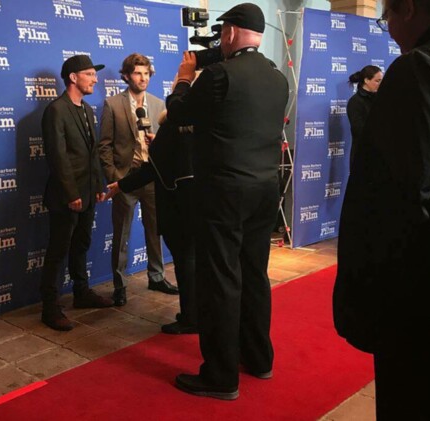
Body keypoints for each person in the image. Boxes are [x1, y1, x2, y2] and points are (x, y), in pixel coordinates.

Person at [166, 3, 289, 400]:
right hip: (265, 189)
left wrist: (184, 79)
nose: (219, 40)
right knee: (254, 274)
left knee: (220, 278)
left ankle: (220, 376)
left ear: (232, 32)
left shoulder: (218, 75)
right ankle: (259, 359)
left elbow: (179, 112)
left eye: (222, 33)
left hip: (224, 191)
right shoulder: (277, 76)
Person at [333, 0, 430, 419]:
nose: (388, 28)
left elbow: (404, 197)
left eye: (387, 16)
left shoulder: (416, 70)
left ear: (407, 9)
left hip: (416, 297)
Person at [105, 109, 198, 334]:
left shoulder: (171, 129)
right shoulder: (197, 128)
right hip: (198, 206)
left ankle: (190, 318)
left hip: (179, 208)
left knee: (186, 265)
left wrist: (120, 185)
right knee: (193, 263)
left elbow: (151, 170)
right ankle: (197, 313)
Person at [40, 55, 114, 331]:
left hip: (87, 192)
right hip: (65, 196)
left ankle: (81, 293)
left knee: (81, 244)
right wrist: (72, 194)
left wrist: (96, 187)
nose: (95, 79)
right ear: (73, 77)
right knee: (58, 251)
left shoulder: (86, 109)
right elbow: (57, 157)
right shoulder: (56, 110)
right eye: (89, 74)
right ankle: (50, 308)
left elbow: (91, 154)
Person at [99, 53, 178, 307]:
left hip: (152, 177)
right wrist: (115, 178)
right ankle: (119, 285)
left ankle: (156, 276)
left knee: (156, 230)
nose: (143, 78)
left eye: (146, 73)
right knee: (121, 234)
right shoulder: (112, 104)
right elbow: (105, 147)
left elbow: (166, 145)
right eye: (137, 73)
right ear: (126, 76)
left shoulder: (158, 104)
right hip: (126, 179)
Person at [347, 65, 383, 167]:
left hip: (380, 156)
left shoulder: (380, 100)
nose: (381, 84)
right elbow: (358, 129)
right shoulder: (355, 102)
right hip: (363, 157)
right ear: (366, 80)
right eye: (377, 81)